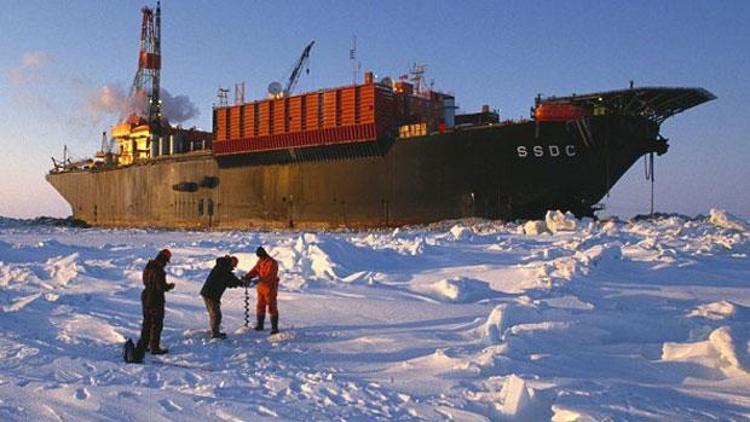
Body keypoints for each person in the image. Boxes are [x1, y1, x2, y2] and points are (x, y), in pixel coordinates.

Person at [136, 249, 175, 355]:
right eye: (166, 261)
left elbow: (145, 281)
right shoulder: (159, 270)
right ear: (164, 259)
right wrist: (169, 286)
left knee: (147, 322)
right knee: (156, 323)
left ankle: (143, 345)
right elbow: (160, 287)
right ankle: (154, 347)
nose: (166, 264)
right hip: (155, 299)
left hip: (146, 296)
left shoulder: (148, 266)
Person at [200, 255, 244, 339]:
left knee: (214, 314)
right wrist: (240, 283)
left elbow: (229, 281)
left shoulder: (222, 266)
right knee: (216, 315)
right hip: (211, 294)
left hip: (211, 294)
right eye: (234, 265)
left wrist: (238, 282)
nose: (234, 267)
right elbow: (230, 279)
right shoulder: (223, 269)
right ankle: (215, 334)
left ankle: (214, 331)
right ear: (231, 262)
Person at [244, 246, 280, 334]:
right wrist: (247, 276)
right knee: (260, 306)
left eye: (261, 256)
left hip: (270, 288)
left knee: (272, 307)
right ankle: (260, 325)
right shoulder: (260, 261)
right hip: (261, 288)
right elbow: (255, 270)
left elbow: (270, 276)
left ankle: (274, 328)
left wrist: (259, 280)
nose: (260, 258)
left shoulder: (272, 263)